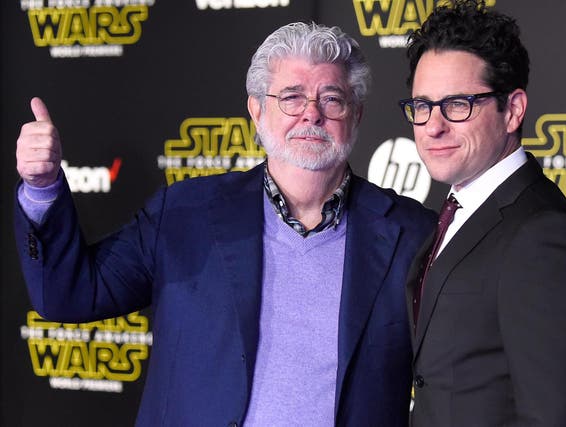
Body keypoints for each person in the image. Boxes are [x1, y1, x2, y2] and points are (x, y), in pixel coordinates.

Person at [14, 22, 437, 426]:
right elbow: (68, 295)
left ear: (356, 114)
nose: (311, 114)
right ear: (256, 110)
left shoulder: (412, 234)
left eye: (331, 98)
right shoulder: (184, 214)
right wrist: (42, 189)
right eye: (291, 97)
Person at [398, 1, 566, 426]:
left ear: (512, 110)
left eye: (457, 104)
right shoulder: (457, 211)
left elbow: (556, 417)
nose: (433, 126)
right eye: (422, 105)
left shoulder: (544, 235)